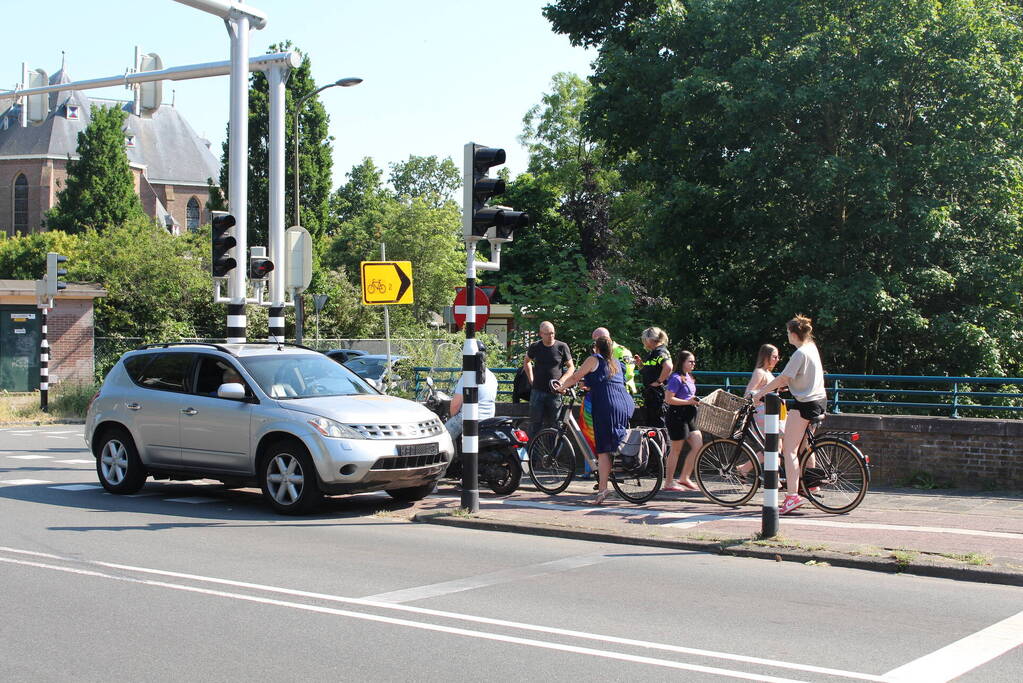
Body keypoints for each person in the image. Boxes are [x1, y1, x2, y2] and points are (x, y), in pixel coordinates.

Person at [751, 315, 827, 515]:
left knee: (789, 451)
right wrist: (787, 385)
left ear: (794, 334)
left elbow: (783, 377)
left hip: (805, 404)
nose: (787, 336)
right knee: (804, 446)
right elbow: (795, 378)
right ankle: (811, 484)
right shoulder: (812, 348)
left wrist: (760, 393)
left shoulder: (800, 353)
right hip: (819, 401)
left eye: (787, 333)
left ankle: (792, 496)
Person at [556, 335, 635, 504]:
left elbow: (576, 376)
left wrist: (561, 387)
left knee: (604, 449)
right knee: (617, 440)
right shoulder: (616, 362)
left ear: (596, 348)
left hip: (607, 405)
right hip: (625, 404)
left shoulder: (593, 359)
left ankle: (602, 490)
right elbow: (607, 381)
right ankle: (621, 469)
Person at [661, 351, 703, 492]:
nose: (693, 364)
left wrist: (694, 401)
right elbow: (668, 399)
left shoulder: (689, 377)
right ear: (682, 362)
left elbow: (689, 396)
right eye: (690, 361)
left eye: (694, 362)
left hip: (689, 415)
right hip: (677, 416)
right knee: (676, 450)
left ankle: (685, 477)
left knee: (698, 445)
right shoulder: (676, 378)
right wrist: (688, 401)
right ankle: (668, 482)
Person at [524, 321, 575, 437]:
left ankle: (553, 454)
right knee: (534, 425)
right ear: (541, 334)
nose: (551, 336)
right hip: (538, 390)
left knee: (555, 425)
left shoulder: (562, 346)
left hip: (556, 392)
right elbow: (526, 361)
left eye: (552, 333)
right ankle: (532, 453)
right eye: (547, 334)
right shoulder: (535, 346)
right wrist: (531, 379)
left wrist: (561, 382)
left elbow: (571, 367)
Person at [446, 347, 499, 444]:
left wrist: (451, 416)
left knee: (443, 437)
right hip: (488, 419)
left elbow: (455, 406)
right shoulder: (492, 376)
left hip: (469, 418)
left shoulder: (468, 376)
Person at [635, 327, 672, 427]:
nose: (644, 342)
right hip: (652, 395)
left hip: (657, 396)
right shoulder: (653, 353)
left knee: (658, 425)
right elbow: (650, 371)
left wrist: (659, 381)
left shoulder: (660, 352)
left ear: (649, 339)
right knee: (652, 424)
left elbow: (668, 367)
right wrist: (640, 364)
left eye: (644, 339)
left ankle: (661, 443)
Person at [744, 344, 782, 433]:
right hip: (763, 413)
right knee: (773, 443)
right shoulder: (760, 372)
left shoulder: (767, 372)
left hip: (770, 412)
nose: (777, 359)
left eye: (778, 357)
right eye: (774, 357)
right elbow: (748, 394)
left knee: (777, 443)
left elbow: (764, 388)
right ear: (766, 357)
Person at [592, 327, 638, 394]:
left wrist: (612, 383)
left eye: (597, 341)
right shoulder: (599, 352)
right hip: (606, 390)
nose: (595, 343)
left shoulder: (623, 352)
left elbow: (629, 373)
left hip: (623, 390)